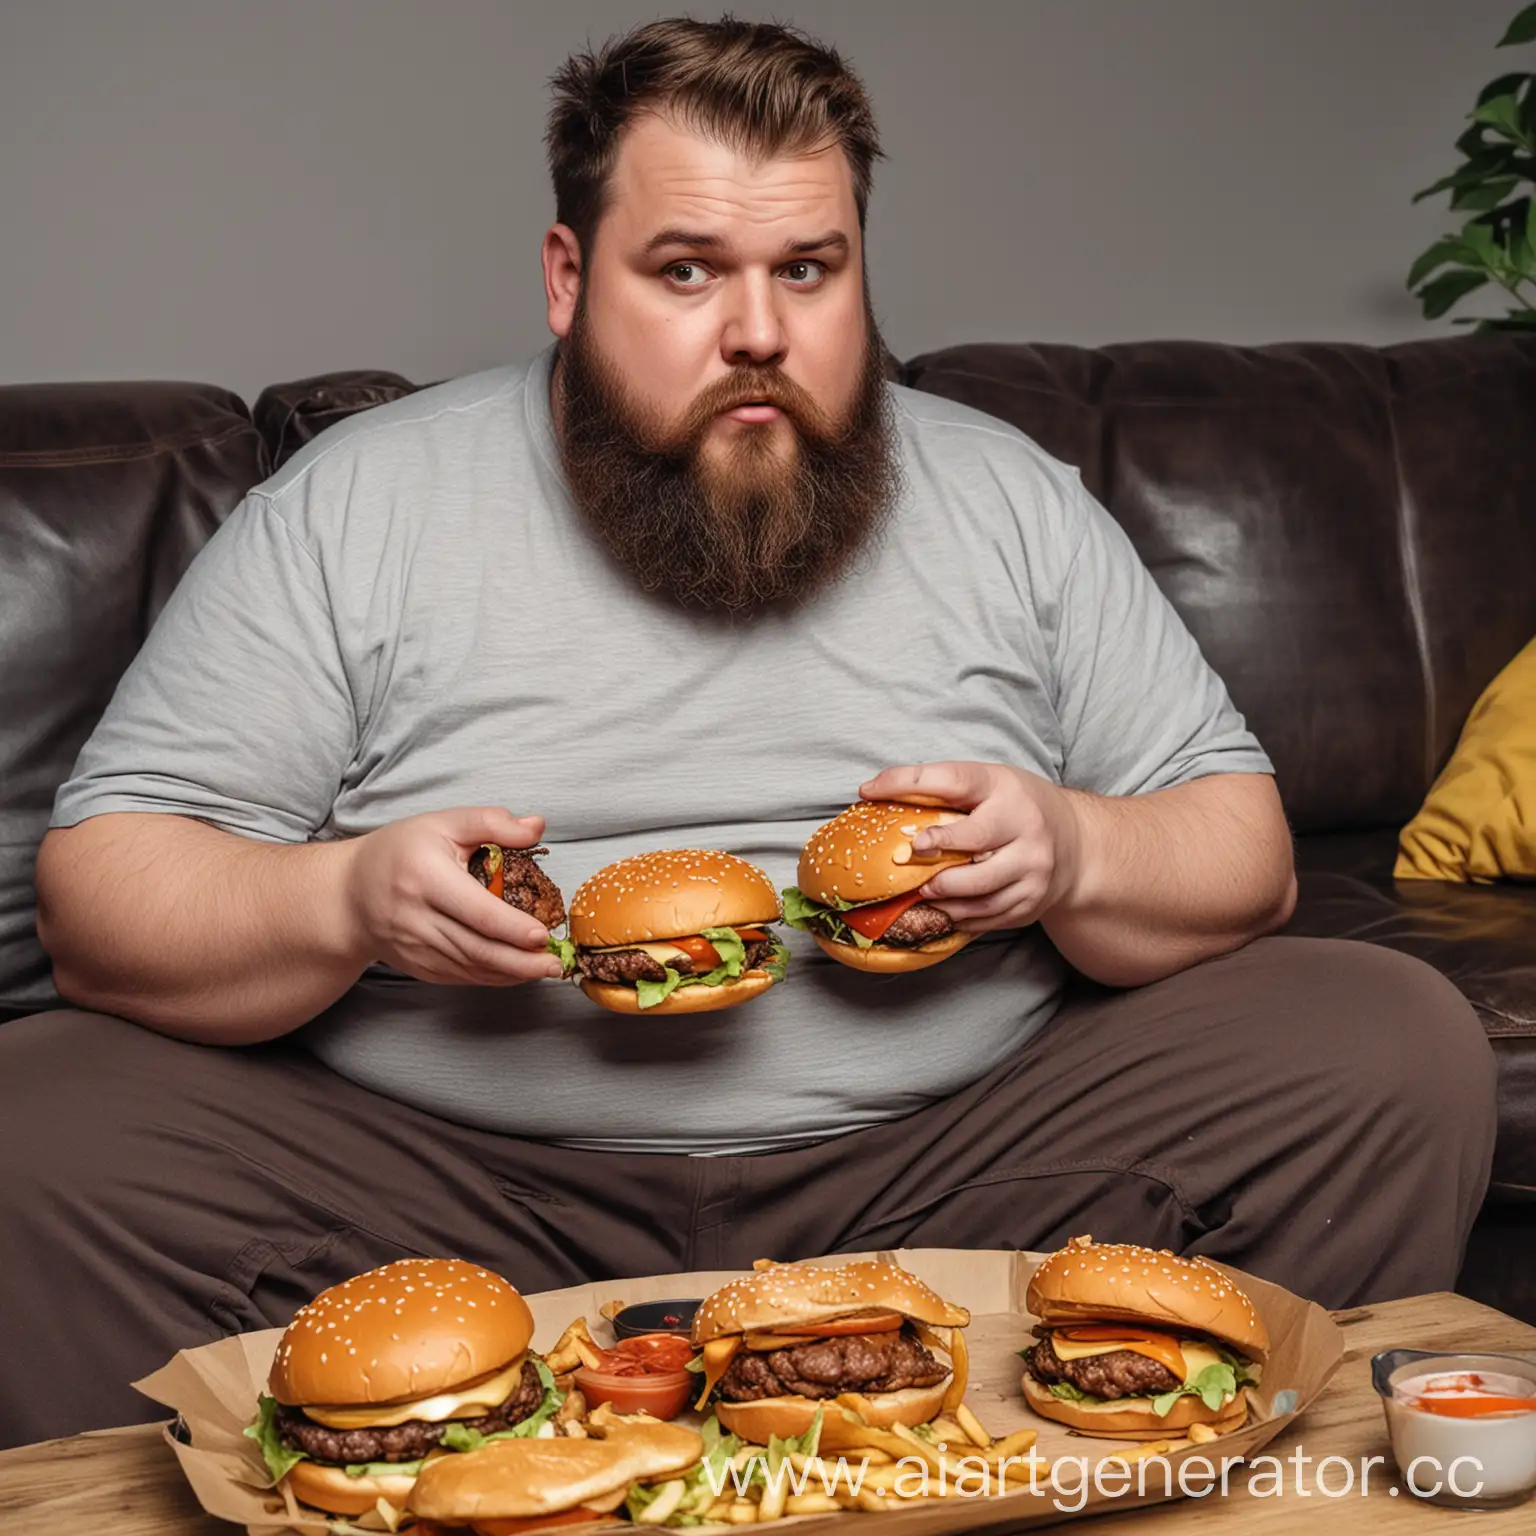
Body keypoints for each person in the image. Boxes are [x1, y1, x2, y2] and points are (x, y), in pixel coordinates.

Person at [4, 16, 1493, 1448]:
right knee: (37, 1127)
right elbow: (100, 895)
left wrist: (1073, 847)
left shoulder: (1010, 499)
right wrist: (339, 899)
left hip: (959, 1166)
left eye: (808, 268)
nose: (760, 332)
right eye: (688, 271)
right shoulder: (354, 508)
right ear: (568, 277)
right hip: (448, 1188)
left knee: (1381, 1038)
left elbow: (1243, 847)